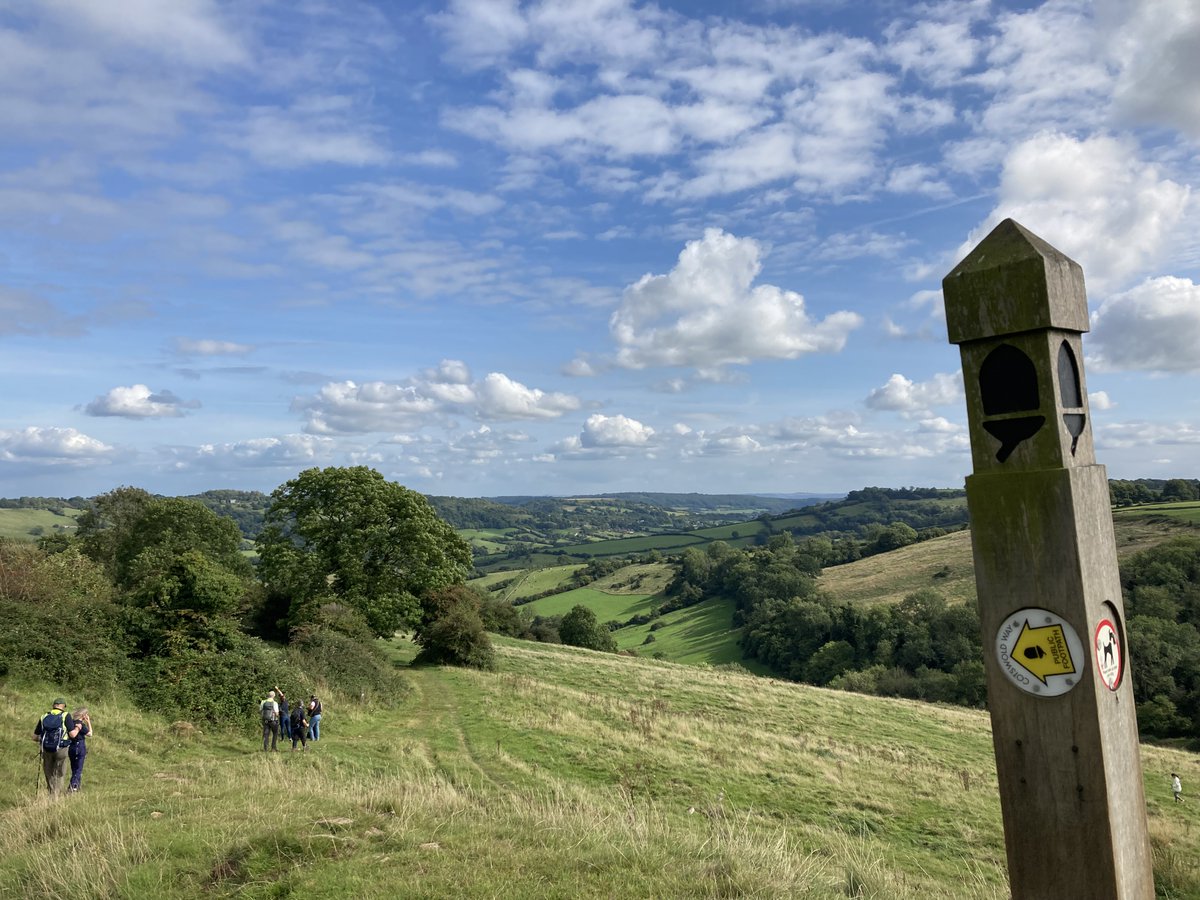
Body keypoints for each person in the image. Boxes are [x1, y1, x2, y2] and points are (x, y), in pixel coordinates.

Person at [33, 698, 79, 795]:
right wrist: (78, 728)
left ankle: (51, 793)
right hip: (61, 748)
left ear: (54, 705)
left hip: (46, 749)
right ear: (63, 706)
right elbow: (72, 735)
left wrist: (45, 739)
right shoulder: (66, 715)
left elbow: (34, 737)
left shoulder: (44, 716)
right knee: (59, 773)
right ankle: (55, 796)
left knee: (49, 772)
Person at [68, 707, 93, 793]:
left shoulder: (71, 723)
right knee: (78, 768)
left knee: (74, 767)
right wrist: (88, 722)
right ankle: (73, 786)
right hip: (80, 746)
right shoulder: (80, 724)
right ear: (83, 715)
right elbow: (90, 734)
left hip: (71, 746)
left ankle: (76, 785)